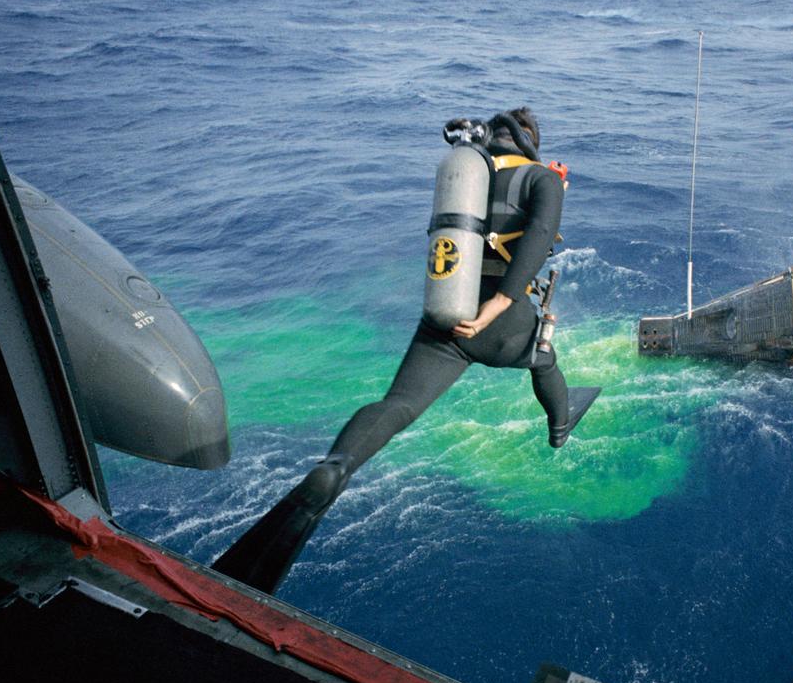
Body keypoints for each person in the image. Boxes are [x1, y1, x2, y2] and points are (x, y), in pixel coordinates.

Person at [213, 108, 580, 593]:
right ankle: (560, 430)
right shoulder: (541, 178)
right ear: (530, 142)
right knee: (543, 358)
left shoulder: (465, 172)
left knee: (398, 405)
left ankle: (335, 468)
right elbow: (537, 240)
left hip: (444, 319)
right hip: (501, 328)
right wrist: (495, 308)